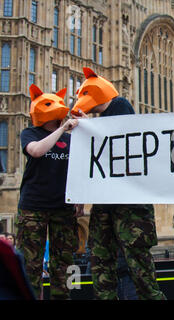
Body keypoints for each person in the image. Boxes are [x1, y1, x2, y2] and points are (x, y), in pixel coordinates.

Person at [71, 67, 166, 300]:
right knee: (101, 265)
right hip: (105, 204)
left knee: (140, 272)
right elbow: (91, 160)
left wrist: (89, 127)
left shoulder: (120, 105)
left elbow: (122, 141)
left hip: (130, 207)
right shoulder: (98, 122)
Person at [15, 84, 81, 300]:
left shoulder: (71, 140)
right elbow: (36, 151)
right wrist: (62, 130)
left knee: (64, 266)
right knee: (30, 266)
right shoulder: (30, 133)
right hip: (34, 208)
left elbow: (81, 169)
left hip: (63, 209)